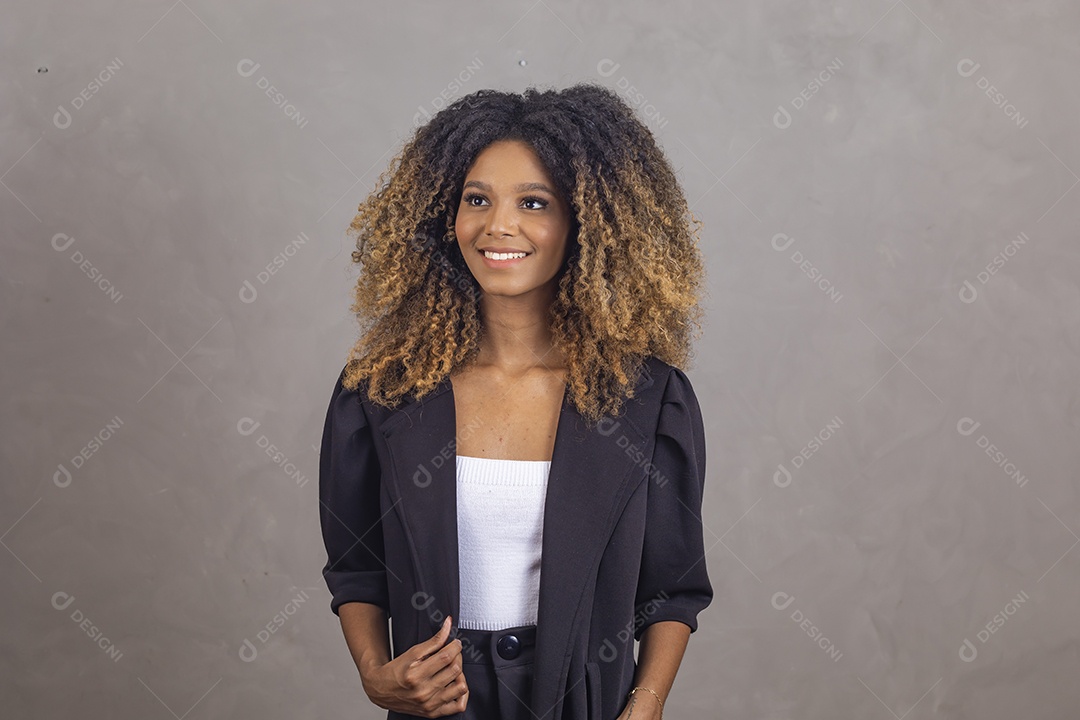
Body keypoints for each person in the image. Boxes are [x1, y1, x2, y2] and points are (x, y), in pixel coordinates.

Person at [319, 82, 712, 720]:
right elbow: (356, 567)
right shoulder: (383, 389)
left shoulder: (646, 399)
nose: (498, 226)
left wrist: (644, 707)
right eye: (477, 199)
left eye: (534, 202)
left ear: (588, 223)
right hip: (438, 705)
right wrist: (376, 675)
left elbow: (672, 590)